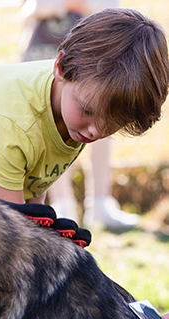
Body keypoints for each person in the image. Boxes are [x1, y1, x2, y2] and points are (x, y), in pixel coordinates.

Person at [0, 8, 169, 206]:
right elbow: (10, 229)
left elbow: (33, 187)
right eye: (88, 111)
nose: (96, 131)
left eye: (113, 122)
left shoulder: (74, 107)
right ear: (60, 67)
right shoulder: (15, 118)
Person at [19, 0, 139, 229]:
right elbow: (30, 9)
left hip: (98, 55)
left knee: (101, 123)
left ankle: (101, 204)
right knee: (53, 129)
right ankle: (62, 205)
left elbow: (112, 11)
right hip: (44, 53)